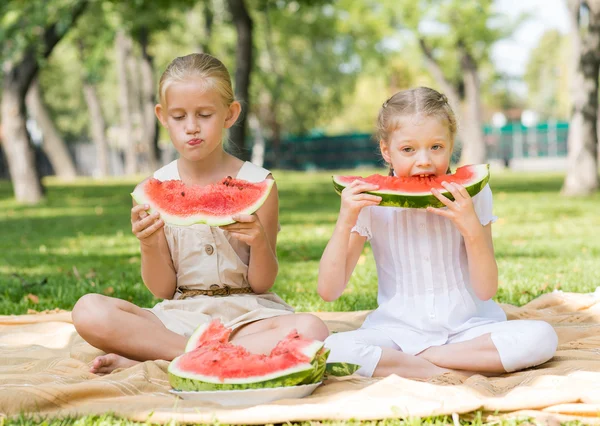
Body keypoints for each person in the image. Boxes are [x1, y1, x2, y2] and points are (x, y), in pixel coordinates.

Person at [72, 53, 329, 374]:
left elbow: (262, 283)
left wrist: (260, 242)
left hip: (248, 317)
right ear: (162, 116)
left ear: (230, 113)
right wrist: (149, 243)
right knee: (89, 310)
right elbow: (162, 290)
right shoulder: (151, 189)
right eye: (178, 117)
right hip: (178, 316)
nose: (191, 127)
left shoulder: (259, 183)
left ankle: (163, 357)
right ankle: (198, 356)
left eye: (204, 114)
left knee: (312, 329)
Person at [317, 87, 558, 379]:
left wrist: (470, 226)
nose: (424, 161)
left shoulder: (474, 195)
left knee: (542, 337)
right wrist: (345, 221)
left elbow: (486, 289)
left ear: (451, 144)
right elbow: (329, 291)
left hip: (470, 328)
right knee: (334, 348)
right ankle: (457, 365)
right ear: (386, 151)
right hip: (395, 332)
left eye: (436, 147)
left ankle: (423, 362)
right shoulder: (370, 201)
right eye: (408, 149)